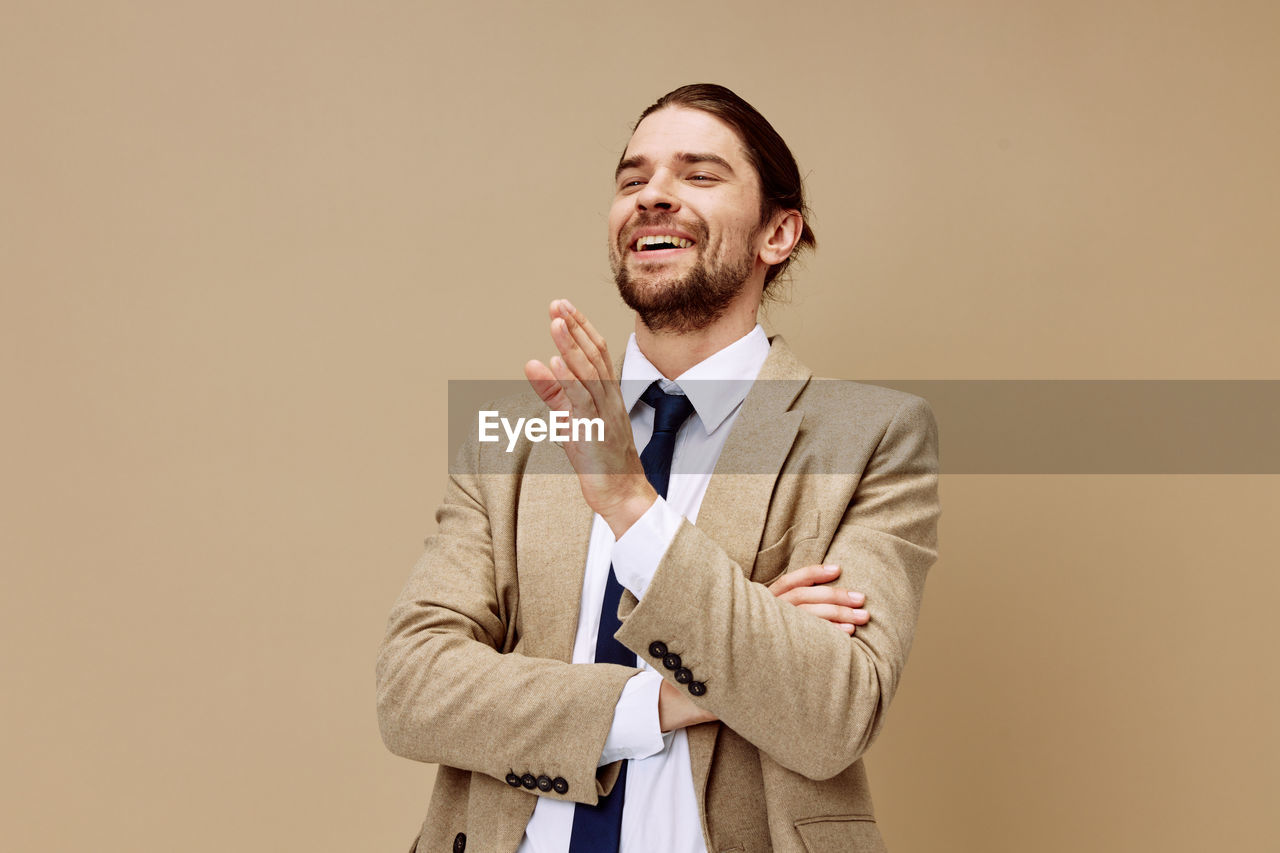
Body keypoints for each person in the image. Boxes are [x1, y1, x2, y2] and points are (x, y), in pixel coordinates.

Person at [377, 83, 940, 853]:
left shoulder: (870, 437)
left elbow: (830, 712)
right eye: (632, 179)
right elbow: (414, 687)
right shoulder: (513, 434)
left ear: (778, 232)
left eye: (699, 175)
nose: (653, 197)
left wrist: (630, 503)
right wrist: (671, 695)